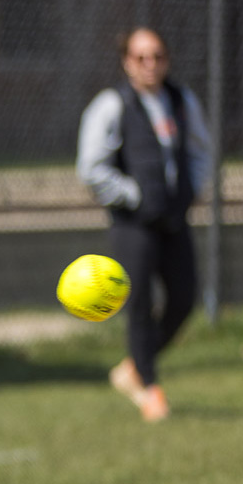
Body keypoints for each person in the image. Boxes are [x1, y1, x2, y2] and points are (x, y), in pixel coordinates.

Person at [77, 26, 212, 423]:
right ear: (126, 62)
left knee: (183, 300)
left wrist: (189, 190)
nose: (149, 64)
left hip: (173, 218)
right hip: (133, 225)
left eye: (157, 57)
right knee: (139, 305)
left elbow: (201, 152)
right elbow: (91, 168)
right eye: (140, 57)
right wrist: (133, 195)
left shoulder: (181, 100)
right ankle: (150, 389)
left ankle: (134, 368)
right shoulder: (112, 104)